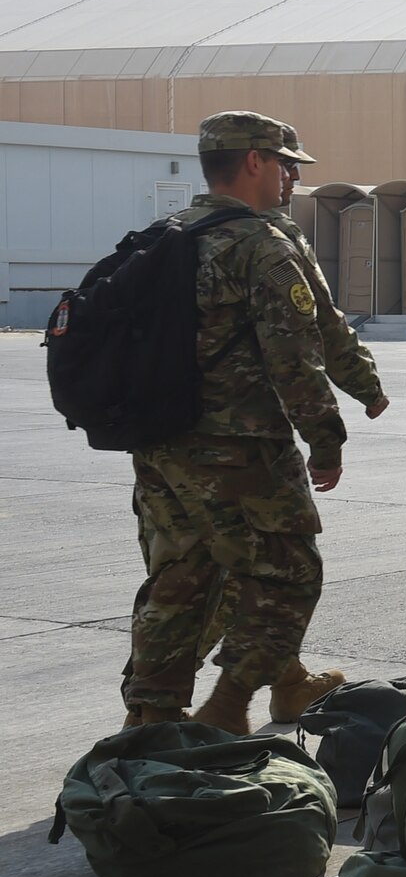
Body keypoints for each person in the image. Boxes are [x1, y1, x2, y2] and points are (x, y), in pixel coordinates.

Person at [122, 111, 346, 735]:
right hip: (242, 449)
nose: (290, 179)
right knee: (289, 572)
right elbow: (294, 358)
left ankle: (150, 714)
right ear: (254, 162)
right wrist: (326, 439)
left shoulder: (165, 234)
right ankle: (228, 706)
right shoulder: (261, 244)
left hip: (161, 442)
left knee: (180, 576)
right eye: (286, 165)